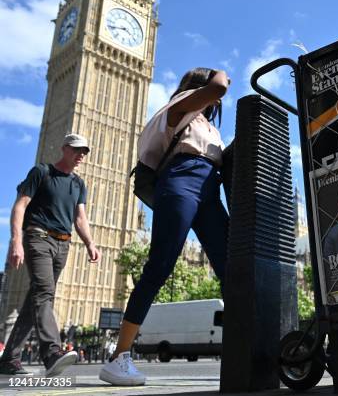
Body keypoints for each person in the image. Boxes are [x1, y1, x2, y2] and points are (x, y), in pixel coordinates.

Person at [99, 67, 230, 386]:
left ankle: (246, 342)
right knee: (160, 265)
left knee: (233, 266)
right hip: (181, 180)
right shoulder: (182, 106)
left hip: (209, 188)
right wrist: (221, 72)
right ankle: (119, 356)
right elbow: (218, 87)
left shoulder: (209, 127)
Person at [0, 134, 100, 377]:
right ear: (64, 148)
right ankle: (52, 352)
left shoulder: (78, 184)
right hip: (38, 237)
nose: (81, 156)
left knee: (35, 299)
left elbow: (80, 218)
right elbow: (20, 205)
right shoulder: (41, 172)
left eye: (84, 152)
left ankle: (9, 358)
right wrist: (16, 240)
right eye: (77, 150)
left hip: (63, 244)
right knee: (45, 292)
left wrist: (90, 243)